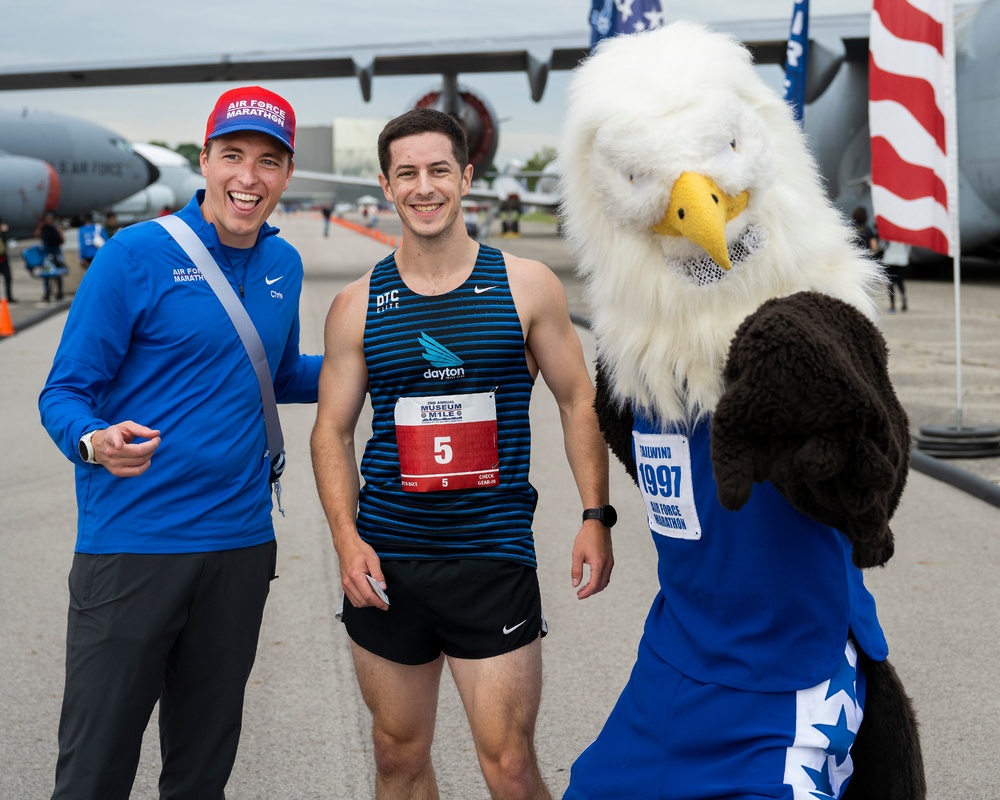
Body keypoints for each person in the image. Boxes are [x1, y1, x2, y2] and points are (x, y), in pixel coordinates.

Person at [311, 108, 615, 800]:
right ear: (386, 186)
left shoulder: (527, 286)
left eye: (439, 170)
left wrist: (596, 514)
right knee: (395, 755)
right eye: (408, 173)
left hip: (491, 558)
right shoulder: (357, 306)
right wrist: (346, 538)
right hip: (389, 562)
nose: (425, 187)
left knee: (509, 765)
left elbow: (578, 401)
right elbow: (331, 430)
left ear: (466, 177)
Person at [38, 85, 321, 800]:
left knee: (201, 771)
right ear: (205, 160)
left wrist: (383, 359)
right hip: (133, 546)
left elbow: (281, 374)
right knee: (94, 770)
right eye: (232, 156)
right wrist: (93, 439)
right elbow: (64, 392)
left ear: (287, 174)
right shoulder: (135, 255)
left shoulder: (283, 267)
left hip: (239, 546)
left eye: (268, 161)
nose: (248, 178)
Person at [36, 212, 65, 301]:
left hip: (56, 253)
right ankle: (47, 293)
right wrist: (39, 228)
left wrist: (60, 231)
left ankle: (59, 293)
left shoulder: (55, 229)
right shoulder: (44, 228)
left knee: (58, 274)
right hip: (47, 255)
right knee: (46, 275)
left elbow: (61, 240)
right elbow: (36, 235)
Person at [882, 239, 911, 312]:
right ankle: (903, 297)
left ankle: (892, 306)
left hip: (890, 259)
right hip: (902, 260)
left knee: (890, 283)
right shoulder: (905, 234)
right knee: (900, 282)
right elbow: (909, 248)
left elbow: (882, 246)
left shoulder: (888, 235)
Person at [0, 217, 15, 303]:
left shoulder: (3, 234)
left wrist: (5, 232)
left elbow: (9, 241)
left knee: (8, 277)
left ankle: (9, 296)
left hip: (3, 259)